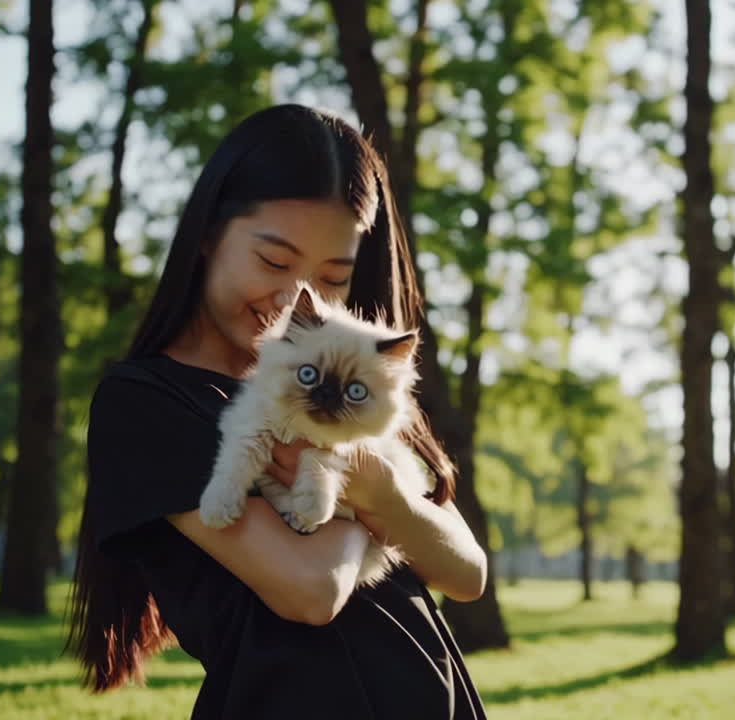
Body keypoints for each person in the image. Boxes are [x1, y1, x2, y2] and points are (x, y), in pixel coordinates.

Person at [67, 104, 489, 719]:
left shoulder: (355, 382)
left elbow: (467, 572)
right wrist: (353, 479)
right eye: (274, 262)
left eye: (333, 277)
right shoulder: (144, 402)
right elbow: (312, 591)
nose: (297, 299)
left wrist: (382, 495)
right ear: (209, 232)